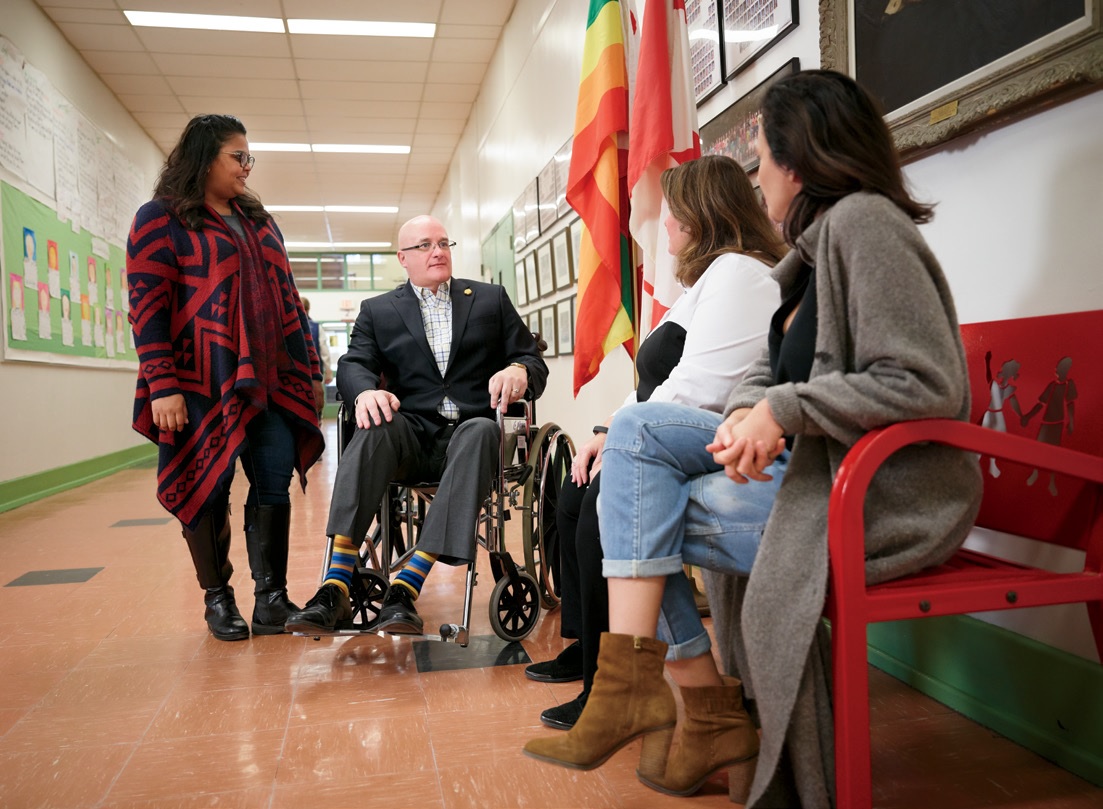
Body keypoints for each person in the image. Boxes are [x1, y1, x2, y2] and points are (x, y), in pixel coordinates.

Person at [523, 70, 984, 808]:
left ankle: (677, 698)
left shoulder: (866, 225)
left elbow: (927, 385)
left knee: (635, 491)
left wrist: (783, 413)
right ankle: (675, 698)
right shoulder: (805, 253)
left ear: (797, 158)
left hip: (886, 501)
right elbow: (766, 371)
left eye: (762, 157)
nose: (758, 175)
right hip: (823, 478)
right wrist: (749, 412)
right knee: (635, 477)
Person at [523, 155, 785, 731]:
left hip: (706, 437)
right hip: (670, 429)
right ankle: (588, 650)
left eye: (670, 212)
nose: (661, 224)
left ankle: (608, 688)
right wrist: (604, 430)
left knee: (599, 507)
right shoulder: (707, 282)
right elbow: (661, 382)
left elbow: (702, 388)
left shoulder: (741, 274)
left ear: (701, 214)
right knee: (572, 493)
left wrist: (621, 435)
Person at [285, 215, 549, 635]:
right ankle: (335, 586)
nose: (438, 251)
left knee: (482, 430)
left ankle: (407, 585)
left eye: (444, 243)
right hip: (412, 438)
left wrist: (519, 367)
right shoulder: (379, 311)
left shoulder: (488, 300)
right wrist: (364, 391)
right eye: (425, 245)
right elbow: (353, 364)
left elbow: (533, 361)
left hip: (471, 438)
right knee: (373, 428)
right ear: (403, 258)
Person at [127, 114, 325, 642]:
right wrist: (162, 383)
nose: (247, 167)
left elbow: (288, 299)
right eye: (238, 156)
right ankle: (218, 599)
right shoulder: (161, 218)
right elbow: (147, 308)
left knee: (273, 482)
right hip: (198, 384)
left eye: (247, 157)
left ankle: (272, 599)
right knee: (207, 486)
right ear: (204, 157)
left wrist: (310, 370)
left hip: (272, 379)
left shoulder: (259, 220)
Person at [302, 296, 333, 391]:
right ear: (308, 309)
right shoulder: (316, 327)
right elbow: (324, 350)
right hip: (314, 374)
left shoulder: (286, 327)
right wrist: (328, 370)